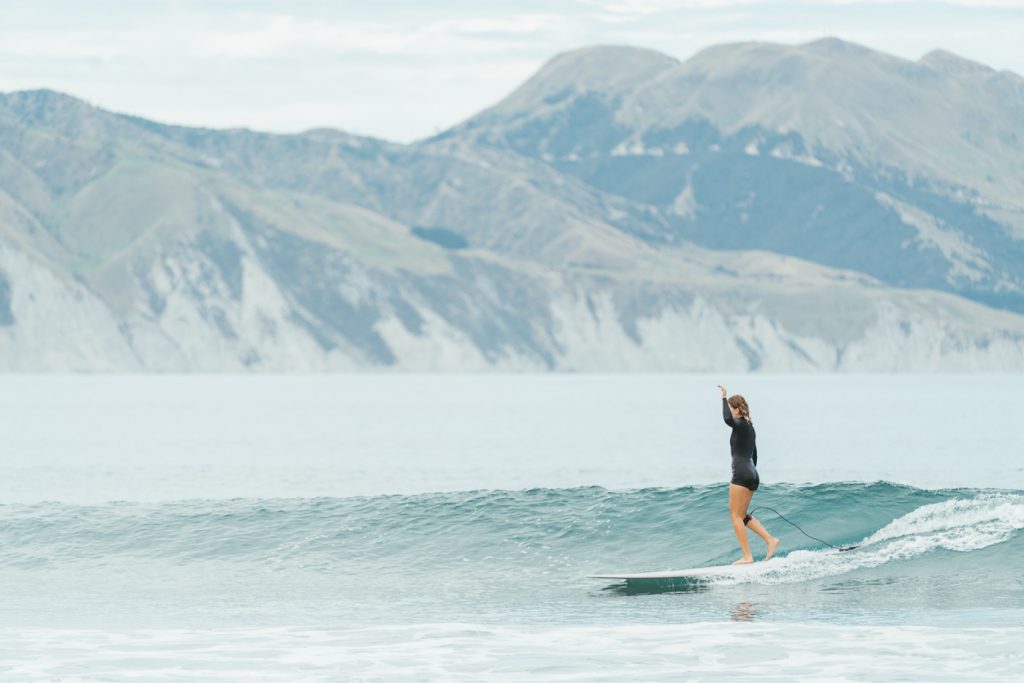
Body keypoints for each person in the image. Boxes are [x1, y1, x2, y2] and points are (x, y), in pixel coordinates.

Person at [717, 384, 779, 564]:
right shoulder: (749, 428)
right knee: (742, 515)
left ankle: (747, 556)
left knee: (735, 516)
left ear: (736, 409)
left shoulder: (739, 424)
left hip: (742, 474)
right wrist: (751, 474)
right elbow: (755, 455)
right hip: (752, 474)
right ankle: (770, 540)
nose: (729, 411)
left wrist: (723, 397)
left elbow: (727, 420)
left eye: (730, 408)